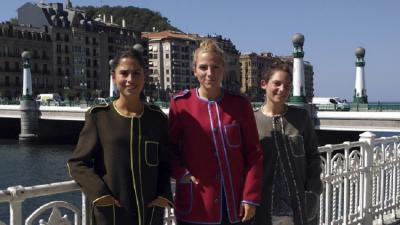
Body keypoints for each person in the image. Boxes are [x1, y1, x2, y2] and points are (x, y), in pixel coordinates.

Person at [67, 48, 173, 225]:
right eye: (124, 73)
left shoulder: (157, 119)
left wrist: (164, 196)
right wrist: (101, 195)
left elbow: (165, 163)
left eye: (136, 73)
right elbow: (77, 163)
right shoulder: (100, 117)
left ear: (144, 77)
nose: (130, 79)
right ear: (114, 77)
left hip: (150, 214)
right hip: (112, 215)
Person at [168, 39, 264, 225]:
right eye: (203, 67)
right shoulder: (180, 104)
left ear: (223, 70)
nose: (209, 73)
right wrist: (183, 174)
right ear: (194, 70)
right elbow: (169, 149)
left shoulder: (240, 104)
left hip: (235, 203)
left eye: (215, 67)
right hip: (197, 202)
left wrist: (250, 197)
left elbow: (254, 154)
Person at [253, 62, 322, 225]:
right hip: (264, 207)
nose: (282, 89)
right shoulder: (252, 121)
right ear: (264, 84)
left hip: (298, 205)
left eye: (287, 86)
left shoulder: (301, 118)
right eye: (277, 83)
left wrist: (312, 191)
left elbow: (313, 156)